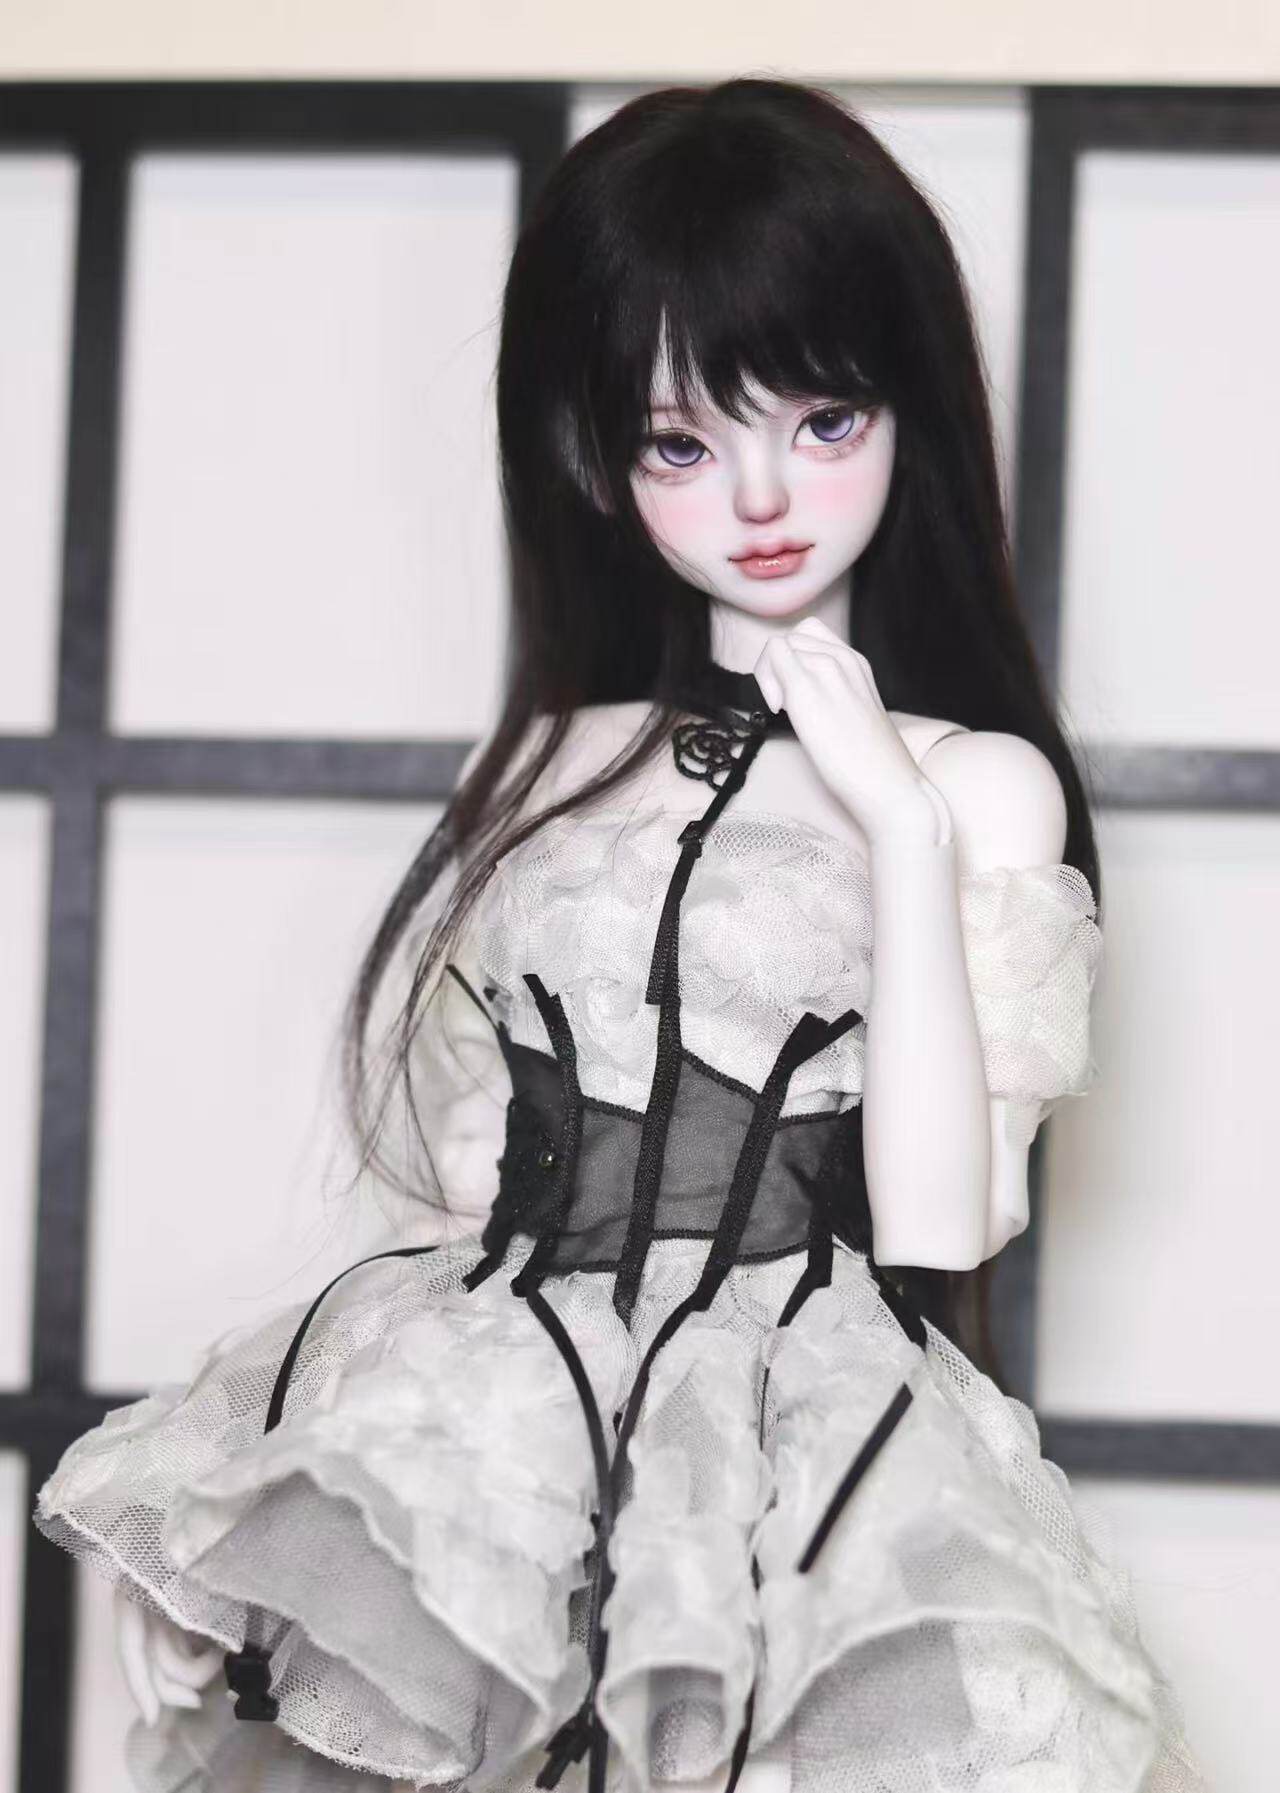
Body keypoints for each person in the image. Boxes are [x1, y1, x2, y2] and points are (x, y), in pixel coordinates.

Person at [35, 77, 1207, 1793]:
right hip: (505, 1450)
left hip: (796, 1468)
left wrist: (897, 825)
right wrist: (289, 1530)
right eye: (682, 441)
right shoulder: (544, 762)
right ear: (594, 456)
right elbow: (458, 1198)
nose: (762, 493)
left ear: (913, 413)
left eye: (826, 417)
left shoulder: (975, 787)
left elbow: (948, 1221)